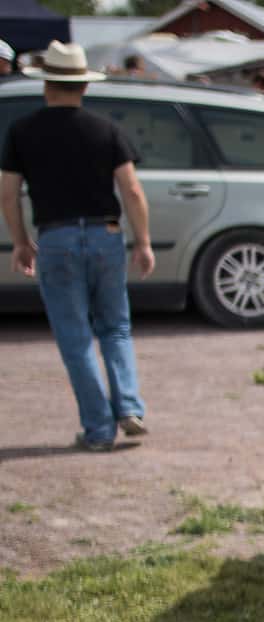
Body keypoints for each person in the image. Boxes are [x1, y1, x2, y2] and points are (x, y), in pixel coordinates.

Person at [0, 41, 153, 451]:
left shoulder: (21, 131)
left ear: (46, 85)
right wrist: (143, 242)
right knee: (115, 326)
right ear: (84, 86)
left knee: (75, 336)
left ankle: (99, 430)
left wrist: (20, 241)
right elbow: (132, 190)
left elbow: (8, 193)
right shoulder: (107, 129)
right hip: (106, 235)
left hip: (56, 237)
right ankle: (129, 406)